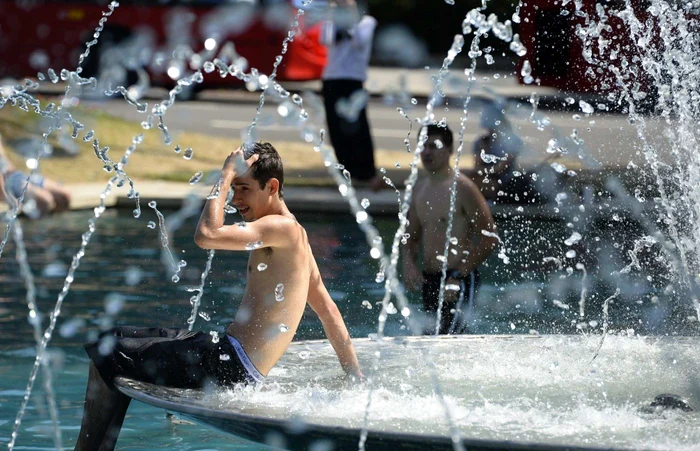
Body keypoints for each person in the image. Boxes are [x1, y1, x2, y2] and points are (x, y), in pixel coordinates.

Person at [75, 142, 364, 451]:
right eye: (234, 189)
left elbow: (207, 235)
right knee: (120, 341)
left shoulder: (281, 229)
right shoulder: (297, 236)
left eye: (244, 188)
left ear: (272, 187)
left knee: (107, 347)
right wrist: (354, 377)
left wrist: (225, 175)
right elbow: (328, 311)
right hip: (232, 362)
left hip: (229, 367)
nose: (236, 199)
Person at [403, 124, 498, 335]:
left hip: (458, 279)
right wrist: (408, 263)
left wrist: (458, 275)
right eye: (422, 146)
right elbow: (411, 236)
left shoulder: (463, 188)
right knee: (431, 341)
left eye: (433, 146)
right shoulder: (420, 189)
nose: (426, 152)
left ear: (449, 150)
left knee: (449, 342)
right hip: (430, 280)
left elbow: (489, 237)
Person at [321, 0, 383, 190]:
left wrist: (349, 15)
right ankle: (347, 172)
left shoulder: (366, 22)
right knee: (336, 128)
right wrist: (333, 15)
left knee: (358, 127)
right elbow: (325, 39)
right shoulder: (332, 20)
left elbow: (359, 41)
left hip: (353, 79)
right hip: (332, 78)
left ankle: (368, 172)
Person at [0, 133, 71, 216]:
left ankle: (54, 226)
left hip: (14, 175)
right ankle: (35, 226)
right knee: (45, 200)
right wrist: (8, 198)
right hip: (6, 182)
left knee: (65, 195)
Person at [471, 101, 525, 203]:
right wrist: (484, 150)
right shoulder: (481, 142)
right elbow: (477, 165)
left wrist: (482, 171)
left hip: (506, 181)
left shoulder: (512, 141)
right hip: (487, 178)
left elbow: (501, 168)